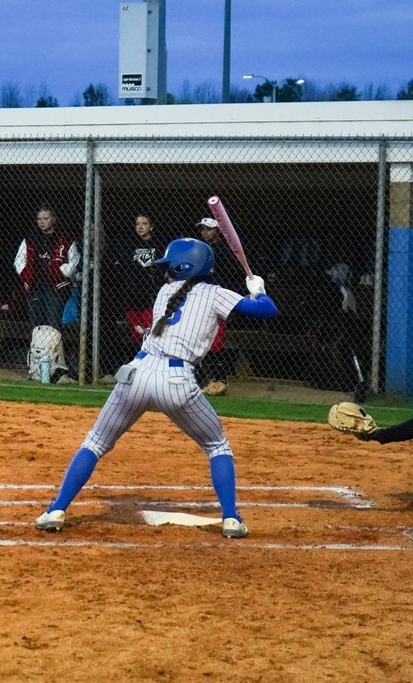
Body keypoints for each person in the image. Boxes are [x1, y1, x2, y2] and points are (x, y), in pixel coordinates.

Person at [34, 237, 279, 540]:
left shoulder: (166, 292)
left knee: (95, 442)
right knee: (217, 446)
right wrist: (258, 291)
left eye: (170, 267)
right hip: (176, 381)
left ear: (184, 267)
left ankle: (56, 509)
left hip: (136, 372)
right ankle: (231, 518)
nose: (165, 273)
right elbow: (268, 311)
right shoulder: (214, 293)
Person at [14, 204, 81, 331]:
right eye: (39, 219)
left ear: (54, 219)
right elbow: (19, 259)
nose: (42, 222)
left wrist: (61, 272)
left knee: (53, 324)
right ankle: (37, 350)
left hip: (55, 287)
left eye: (45, 218)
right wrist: (26, 274)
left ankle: (53, 350)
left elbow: (74, 260)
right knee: (36, 325)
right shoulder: (31, 238)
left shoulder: (64, 239)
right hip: (34, 285)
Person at [194, 216, 237, 395]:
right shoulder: (201, 250)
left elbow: (229, 276)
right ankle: (209, 379)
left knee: (215, 341)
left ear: (217, 231)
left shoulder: (224, 251)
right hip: (202, 299)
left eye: (208, 229)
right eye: (203, 229)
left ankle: (220, 379)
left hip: (218, 299)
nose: (205, 232)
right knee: (202, 340)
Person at [112, 213, 166, 347]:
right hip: (133, 293)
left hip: (151, 294)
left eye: (144, 223)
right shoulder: (130, 245)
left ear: (151, 227)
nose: (140, 227)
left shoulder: (159, 244)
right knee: (137, 333)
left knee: (151, 330)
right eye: (137, 224)